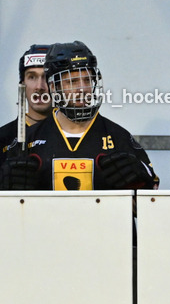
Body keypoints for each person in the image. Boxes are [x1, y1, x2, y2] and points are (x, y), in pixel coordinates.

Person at [0, 41, 157, 192]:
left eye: (87, 80)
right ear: (54, 87)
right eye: (72, 81)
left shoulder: (119, 138)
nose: (82, 89)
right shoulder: (26, 141)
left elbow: (149, 202)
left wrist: (140, 186)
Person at [0, 44, 51, 165]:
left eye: (47, 77)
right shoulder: (3, 137)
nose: (39, 87)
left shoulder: (72, 134)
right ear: (22, 84)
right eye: (32, 77)